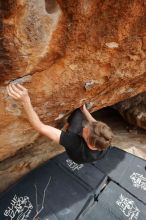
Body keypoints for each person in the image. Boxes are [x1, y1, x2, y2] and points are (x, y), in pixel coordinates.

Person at [6, 83, 114, 164]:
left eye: (86, 130)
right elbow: (95, 125)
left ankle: (66, 128)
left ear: (89, 143)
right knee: (79, 112)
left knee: (72, 128)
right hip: (92, 153)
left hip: (76, 156)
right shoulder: (106, 139)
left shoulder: (74, 142)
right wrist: (85, 110)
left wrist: (25, 100)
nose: (86, 126)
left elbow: (40, 127)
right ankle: (70, 124)